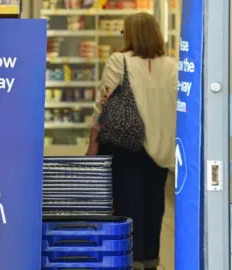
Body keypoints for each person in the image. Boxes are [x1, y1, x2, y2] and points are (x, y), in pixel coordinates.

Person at [86, 12, 178, 270]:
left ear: (131, 34)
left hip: (126, 143)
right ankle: (151, 259)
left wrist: (93, 136)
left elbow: (103, 102)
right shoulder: (172, 65)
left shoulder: (120, 61)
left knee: (128, 203)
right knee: (154, 204)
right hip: (161, 145)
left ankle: (132, 259)